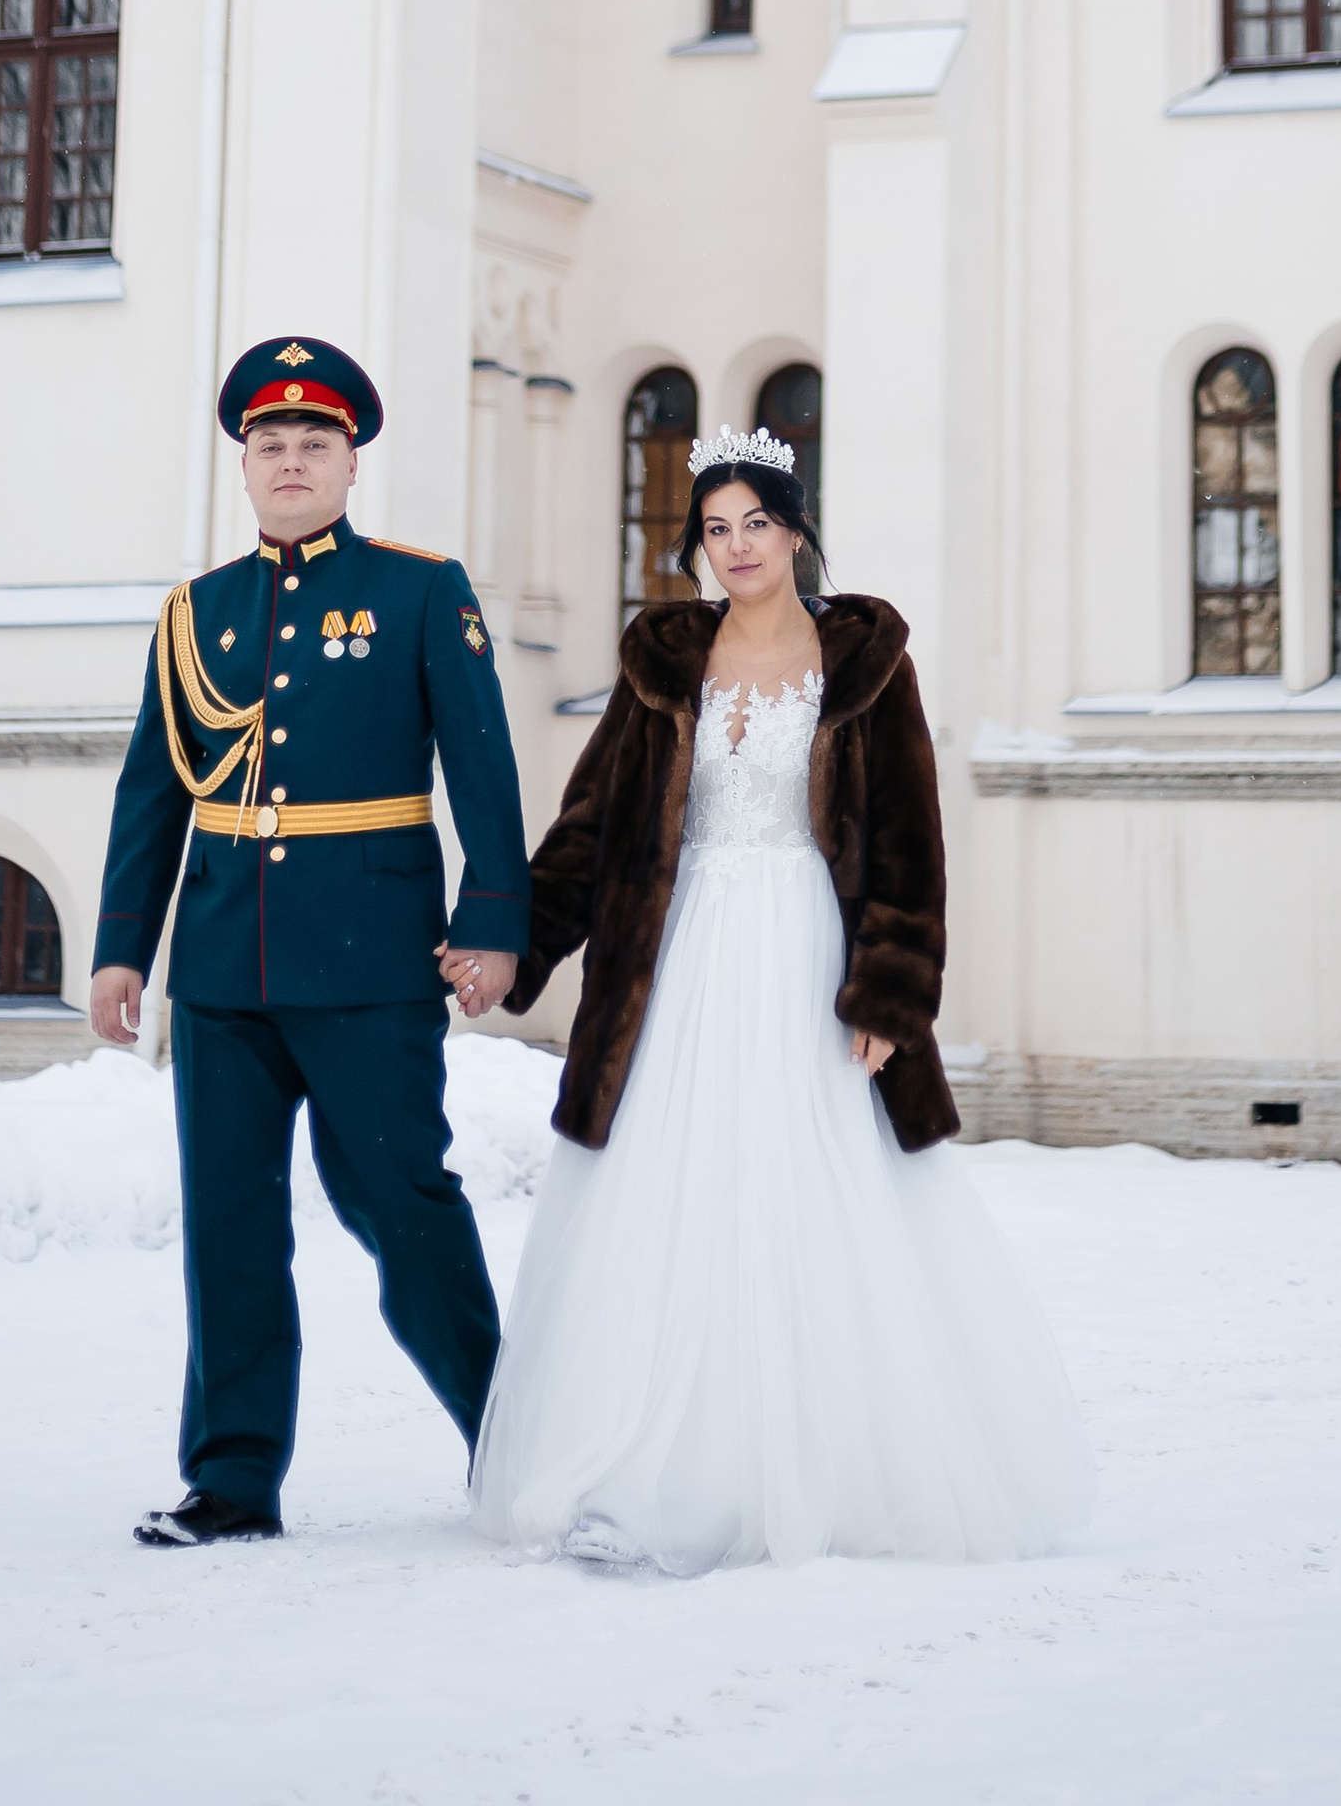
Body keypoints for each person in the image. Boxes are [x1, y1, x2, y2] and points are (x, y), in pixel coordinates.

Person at [460, 422, 1091, 1570]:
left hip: (805, 959)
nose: (737, 545)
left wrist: (888, 999)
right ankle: (643, 1473)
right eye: (714, 529)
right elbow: (591, 829)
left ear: (797, 531)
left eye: (756, 522)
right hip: (678, 965)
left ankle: (814, 1473)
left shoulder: (865, 665)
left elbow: (908, 848)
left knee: (803, 1195)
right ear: (695, 548)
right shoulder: (662, 661)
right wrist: (514, 945)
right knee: (670, 1194)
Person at [89, 333, 529, 1546]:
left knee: (404, 1206)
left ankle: (516, 1446)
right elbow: (152, 789)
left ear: (349, 464)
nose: (291, 460)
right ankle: (232, 1481)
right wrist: (124, 943)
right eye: (270, 443)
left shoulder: (419, 590)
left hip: (371, 962)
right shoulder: (198, 613)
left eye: (314, 443)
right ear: (244, 466)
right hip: (222, 966)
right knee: (229, 1224)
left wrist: (494, 923)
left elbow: (482, 769)